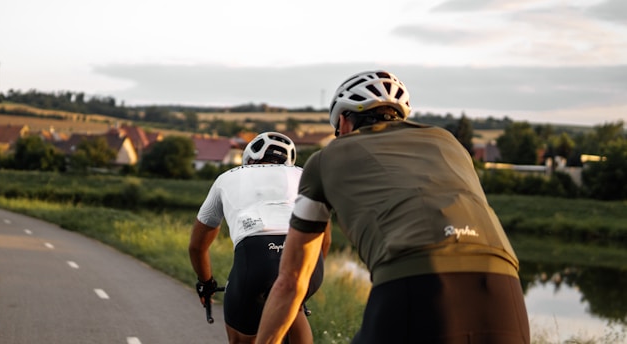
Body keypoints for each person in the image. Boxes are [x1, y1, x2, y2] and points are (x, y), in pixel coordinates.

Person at [256, 70, 530, 344]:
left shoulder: (325, 158)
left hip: (415, 279)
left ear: (343, 122)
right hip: (504, 285)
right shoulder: (449, 143)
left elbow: (291, 282)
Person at [189, 131, 330, 344]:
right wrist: (309, 273)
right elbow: (324, 239)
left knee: (241, 339)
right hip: (307, 256)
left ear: (249, 159)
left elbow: (197, 246)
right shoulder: (304, 174)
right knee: (294, 306)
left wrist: (206, 283)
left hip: (256, 256)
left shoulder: (227, 177)